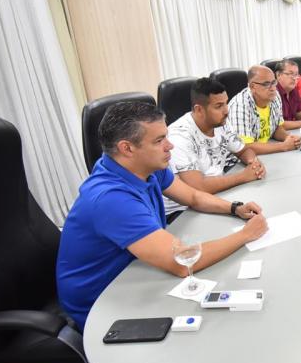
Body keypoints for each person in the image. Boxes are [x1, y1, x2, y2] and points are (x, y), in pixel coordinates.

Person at [57, 102, 268, 329]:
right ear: (127, 148)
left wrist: (234, 207)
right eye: (159, 141)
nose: (170, 146)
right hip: (103, 305)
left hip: (138, 274)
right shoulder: (110, 199)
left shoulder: (145, 167)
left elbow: (193, 197)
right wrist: (246, 235)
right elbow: (180, 262)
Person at [164, 77, 266, 218]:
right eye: (218, 106)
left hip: (217, 195)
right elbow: (198, 187)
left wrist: (253, 163)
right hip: (183, 211)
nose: (226, 111)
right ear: (199, 110)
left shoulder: (220, 121)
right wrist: (243, 176)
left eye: (226, 103)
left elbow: (243, 150)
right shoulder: (179, 136)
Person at [227, 65, 301, 155]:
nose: (273, 88)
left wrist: (289, 138)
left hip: (266, 151)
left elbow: (276, 128)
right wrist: (283, 146)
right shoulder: (240, 105)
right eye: (266, 84)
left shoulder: (275, 96)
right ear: (252, 87)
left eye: (274, 82)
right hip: (239, 161)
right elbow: (244, 147)